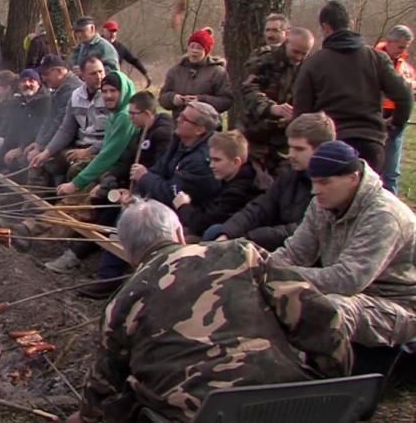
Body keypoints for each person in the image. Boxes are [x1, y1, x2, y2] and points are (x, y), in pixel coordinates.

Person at [66, 200, 351, 423]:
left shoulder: (123, 301)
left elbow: (105, 383)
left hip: (202, 413)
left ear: (128, 252)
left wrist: (86, 415)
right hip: (287, 404)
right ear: (178, 232)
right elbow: (321, 317)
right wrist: (329, 383)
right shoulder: (242, 254)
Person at [271, 140, 416, 347]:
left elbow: (348, 279)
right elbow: (295, 252)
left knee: (329, 308)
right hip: (356, 296)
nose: (315, 190)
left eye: (324, 182)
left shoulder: (384, 215)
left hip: (398, 307)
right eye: (313, 182)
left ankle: (318, 373)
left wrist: (279, 277)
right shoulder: (322, 204)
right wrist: (261, 268)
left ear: (353, 178)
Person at [45, 91, 174, 275]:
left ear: (146, 114)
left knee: (113, 216)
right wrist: (107, 182)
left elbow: (158, 172)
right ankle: (79, 253)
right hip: (129, 190)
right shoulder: (140, 132)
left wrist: (135, 193)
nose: (129, 118)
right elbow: (125, 161)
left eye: (133, 114)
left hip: (151, 199)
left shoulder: (163, 136)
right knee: (100, 200)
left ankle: (90, 264)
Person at [292, 0, 413, 172]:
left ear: (325, 27)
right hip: (371, 143)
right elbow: (405, 96)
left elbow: (302, 113)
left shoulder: (313, 63)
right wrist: (394, 125)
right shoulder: (376, 58)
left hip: (330, 145)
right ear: (351, 24)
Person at [210, 112, 333, 250]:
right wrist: (228, 233)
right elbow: (261, 207)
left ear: (321, 150)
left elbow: (302, 229)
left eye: (299, 149)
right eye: (290, 147)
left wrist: (249, 238)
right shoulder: (290, 174)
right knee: (217, 232)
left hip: (297, 251)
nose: (291, 155)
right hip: (269, 240)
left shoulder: (330, 186)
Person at [241, 28, 315, 175]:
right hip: (256, 134)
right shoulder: (264, 58)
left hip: (285, 139)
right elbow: (249, 90)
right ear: (286, 42)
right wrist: (271, 108)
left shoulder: (307, 67)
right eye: (295, 52)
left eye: (303, 53)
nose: (298, 57)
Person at [56, 70, 138, 195]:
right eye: (104, 91)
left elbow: (108, 155)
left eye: (113, 91)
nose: (108, 95)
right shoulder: (114, 113)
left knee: (78, 179)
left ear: (123, 91)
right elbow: (106, 145)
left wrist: (76, 184)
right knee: (75, 168)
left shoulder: (125, 116)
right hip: (114, 165)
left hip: (123, 171)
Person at [30, 56, 108, 186]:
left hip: (99, 150)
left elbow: (113, 136)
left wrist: (89, 151)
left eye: (101, 72)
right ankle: (36, 202)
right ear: (83, 75)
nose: (99, 77)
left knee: (76, 169)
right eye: (93, 73)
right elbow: (66, 129)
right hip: (79, 146)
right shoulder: (76, 96)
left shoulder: (110, 96)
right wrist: (46, 152)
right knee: (41, 163)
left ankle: (69, 202)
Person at [132, 101, 221, 207]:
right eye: (180, 116)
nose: (178, 120)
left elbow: (172, 195)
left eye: (184, 119)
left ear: (199, 130)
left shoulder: (201, 160)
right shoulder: (179, 141)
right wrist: (135, 194)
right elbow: (159, 169)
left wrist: (144, 177)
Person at [174, 130, 260, 238]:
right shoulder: (231, 178)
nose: (211, 165)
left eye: (217, 160)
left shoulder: (240, 191)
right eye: (210, 160)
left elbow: (202, 225)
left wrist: (183, 206)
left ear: (236, 162)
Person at [159, 27, 233, 120]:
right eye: (192, 46)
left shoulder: (217, 72)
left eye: (199, 48)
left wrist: (201, 101)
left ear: (206, 51)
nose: (194, 50)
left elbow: (226, 101)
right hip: (180, 125)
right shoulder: (175, 71)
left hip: (208, 126)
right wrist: (172, 99)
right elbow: (162, 97)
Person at [376, 25, 416, 194]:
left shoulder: (406, 67)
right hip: (375, 118)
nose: (403, 51)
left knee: (391, 173)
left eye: (406, 47)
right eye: (401, 46)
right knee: (371, 168)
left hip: (396, 122)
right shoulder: (372, 59)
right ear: (389, 42)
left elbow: (410, 92)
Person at [26, 54, 83, 169]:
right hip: (60, 139)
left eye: (46, 74)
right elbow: (49, 118)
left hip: (75, 142)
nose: (43, 78)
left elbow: (60, 123)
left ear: (59, 71)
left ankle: (39, 184)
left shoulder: (71, 90)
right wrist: (38, 142)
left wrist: (42, 149)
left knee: (45, 161)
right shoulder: (58, 90)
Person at [0, 69, 52, 170]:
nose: (27, 84)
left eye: (31, 80)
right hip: (19, 144)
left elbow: (39, 129)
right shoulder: (19, 103)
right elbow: (12, 131)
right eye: (23, 81)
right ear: (19, 85)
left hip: (38, 146)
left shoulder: (45, 102)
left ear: (39, 84)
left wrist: (21, 149)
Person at [101, 20, 150, 88]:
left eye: (114, 31)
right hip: (97, 81)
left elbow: (134, 60)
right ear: (103, 31)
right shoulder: (96, 45)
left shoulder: (120, 47)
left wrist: (146, 74)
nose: (112, 34)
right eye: (110, 31)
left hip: (113, 81)